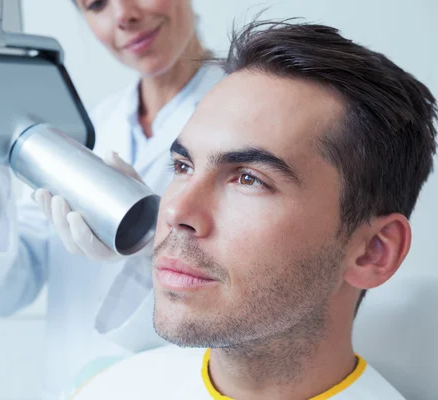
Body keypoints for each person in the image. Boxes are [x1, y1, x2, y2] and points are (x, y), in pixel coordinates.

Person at [70, 18, 437, 400]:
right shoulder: (111, 389)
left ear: (373, 251)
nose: (175, 210)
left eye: (248, 179)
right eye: (183, 166)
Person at [0, 0, 225, 398]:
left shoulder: (250, 115)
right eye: (96, 4)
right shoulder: (83, 129)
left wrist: (153, 245)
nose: (123, 15)